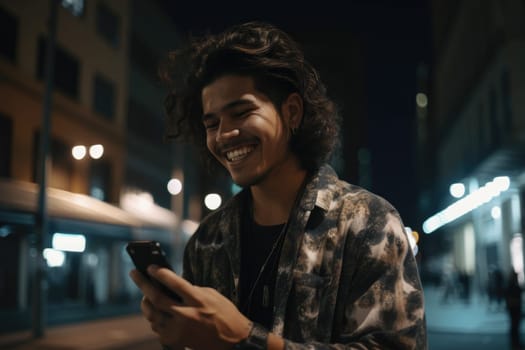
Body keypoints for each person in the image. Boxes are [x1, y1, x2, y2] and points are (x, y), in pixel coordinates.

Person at [129, 21, 427, 349]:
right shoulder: (207, 241)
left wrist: (245, 339)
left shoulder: (367, 222)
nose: (224, 134)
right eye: (211, 123)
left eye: (241, 112)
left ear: (292, 112)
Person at [505, 271, 523, 350]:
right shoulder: (512, 286)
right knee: (514, 327)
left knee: (515, 327)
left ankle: (515, 343)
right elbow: (511, 298)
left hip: (514, 309)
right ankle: (515, 344)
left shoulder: (512, 285)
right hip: (514, 309)